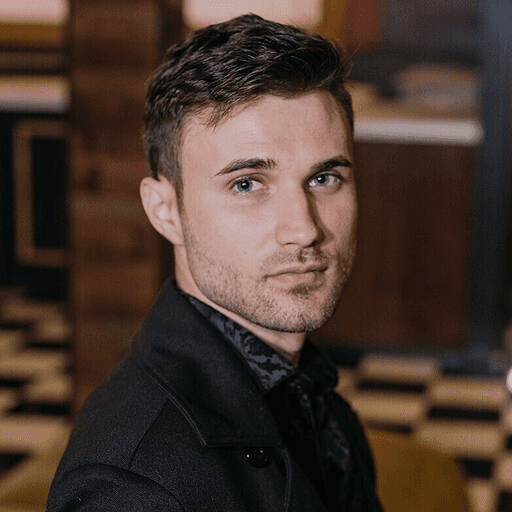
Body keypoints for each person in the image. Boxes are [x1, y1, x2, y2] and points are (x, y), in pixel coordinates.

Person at [47, 14, 383, 511]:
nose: (304, 229)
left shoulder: (315, 397)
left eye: (323, 178)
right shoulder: (130, 487)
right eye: (246, 184)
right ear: (166, 212)